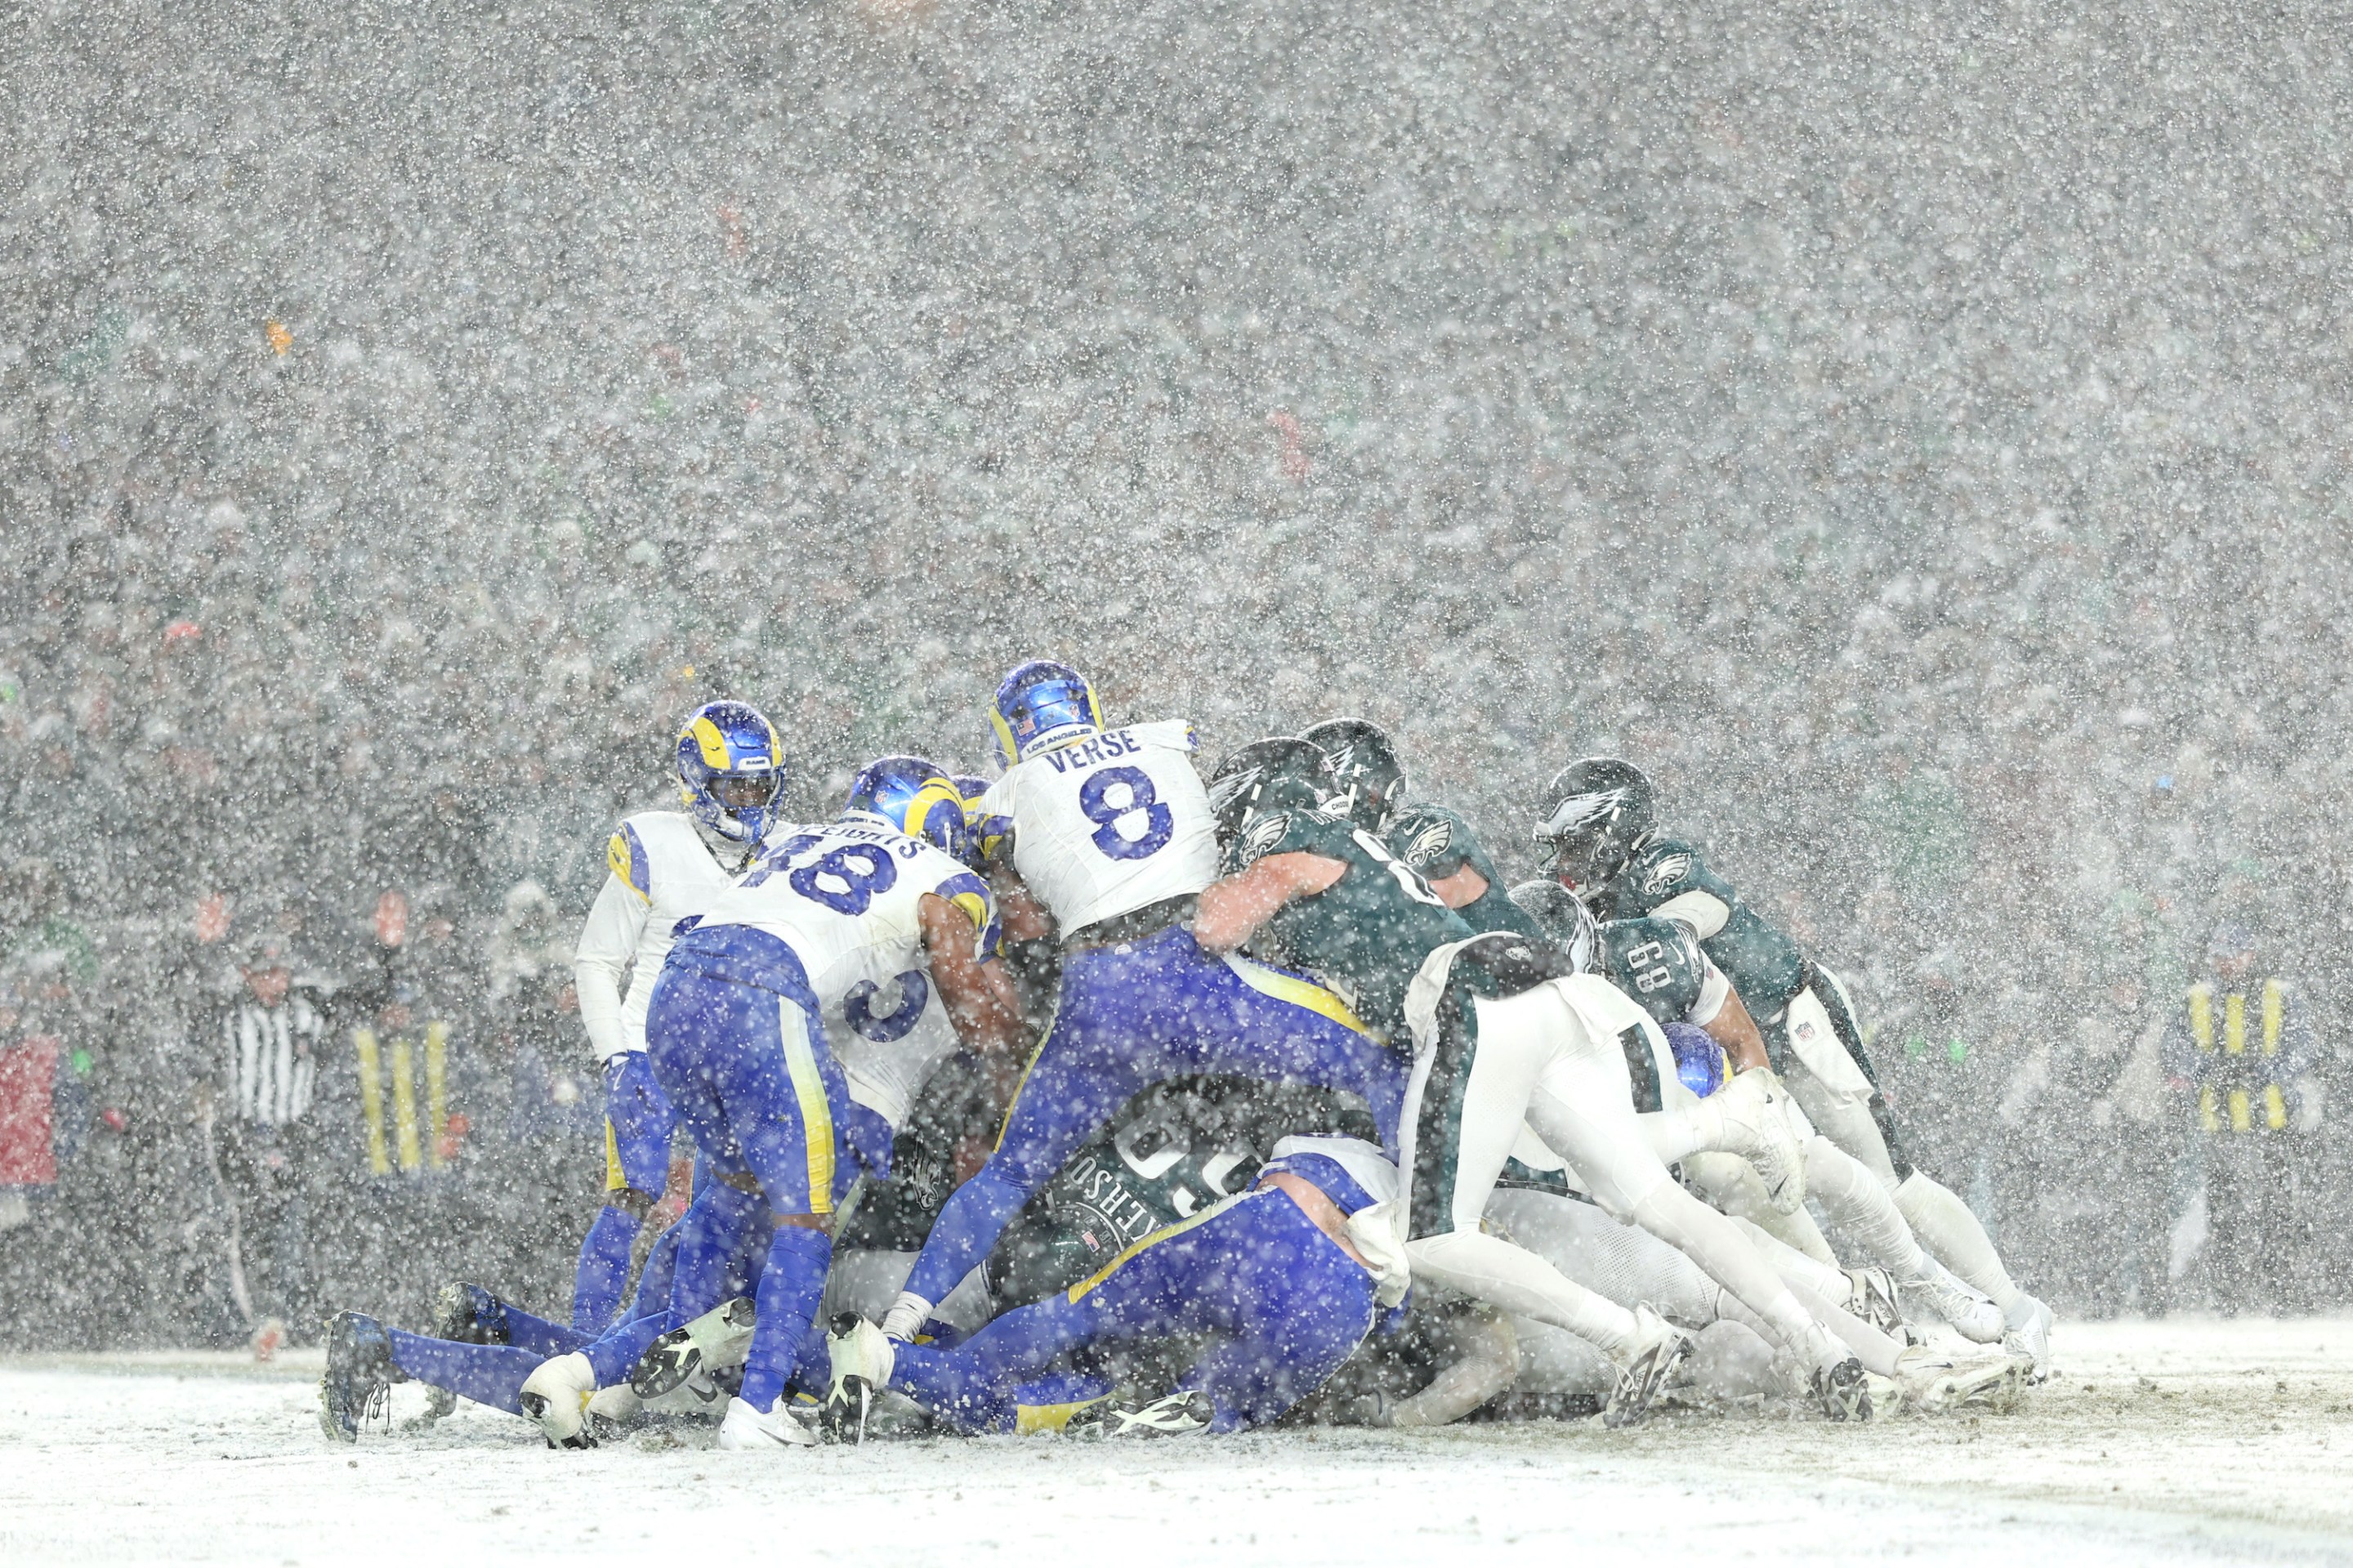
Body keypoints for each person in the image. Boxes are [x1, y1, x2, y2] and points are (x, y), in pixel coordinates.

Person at [1194, 737, 1868, 1423]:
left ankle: (1629, 1336)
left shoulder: (1294, 840)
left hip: (1472, 1005)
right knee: (1656, 1200)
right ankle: (1818, 1346)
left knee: (1435, 1236)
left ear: (1256, 804)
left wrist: (1191, 897)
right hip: (1543, 993)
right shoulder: (1364, 846)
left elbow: (1216, 925)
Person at [885, 663, 1406, 1346]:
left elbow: (1009, 893)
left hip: (1099, 989)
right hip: (1196, 970)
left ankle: (900, 1322)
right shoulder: (1167, 738)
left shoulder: (1005, 796)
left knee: (1009, 1174)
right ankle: (1419, 1257)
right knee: (1385, 1064)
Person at [519, 754, 1026, 1450]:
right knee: (798, 1234)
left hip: (680, 996)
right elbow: (981, 1012)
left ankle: (588, 1373)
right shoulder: (948, 884)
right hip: (792, 1045)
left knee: (711, 1225)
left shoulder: (798, 839)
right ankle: (756, 1406)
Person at [1532, 756, 2055, 1375]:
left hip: (1791, 1020)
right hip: (1720, 1044)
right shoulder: (1595, 901)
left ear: (1613, 827)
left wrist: (1627, 944)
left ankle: (2018, 1310)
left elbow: (1680, 932)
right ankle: (1851, 1311)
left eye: (1575, 838)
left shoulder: (1659, 866)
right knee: (1759, 1183)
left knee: (1890, 1182)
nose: (1566, 855)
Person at [826, 1132, 1406, 1439]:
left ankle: (892, 1364)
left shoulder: (1317, 1142)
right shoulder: (1416, 1181)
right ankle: (1187, 1410)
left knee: (1070, 1325)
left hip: (1261, 1223)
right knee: (1223, 1404)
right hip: (1347, 1293)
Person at [568, 700, 786, 1334]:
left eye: (760, 785)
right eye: (736, 785)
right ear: (698, 784)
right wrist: (615, 1056)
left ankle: (695, 1335)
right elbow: (597, 959)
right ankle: (584, 1344)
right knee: (633, 1192)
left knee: (747, 1201)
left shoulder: (787, 848)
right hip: (652, 1048)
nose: (749, 799)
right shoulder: (655, 844)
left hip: (743, 1060)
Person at [2163, 922, 2324, 1312]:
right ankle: (2228, 1298)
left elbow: (2304, 1045)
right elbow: (2174, 1048)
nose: (2228, 963)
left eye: (2235, 954)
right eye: (2220, 956)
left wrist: (2272, 1072)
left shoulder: (2280, 996)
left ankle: (2283, 1296)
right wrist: (2204, 1070)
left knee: (2279, 1210)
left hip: (2275, 1123)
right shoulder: (2195, 999)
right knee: (2224, 1215)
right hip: (2220, 1122)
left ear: (2251, 955)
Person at [198, 919, 331, 1351]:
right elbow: (189, 997)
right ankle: (259, 1317)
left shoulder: (308, 1013)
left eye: (281, 974)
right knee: (251, 1225)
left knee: (293, 1229)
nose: (275, 983)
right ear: (247, 977)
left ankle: (285, 1316)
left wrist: (390, 950)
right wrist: (205, 944)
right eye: (265, 975)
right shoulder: (232, 1016)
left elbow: (369, 998)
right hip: (242, 1133)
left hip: (294, 1133)